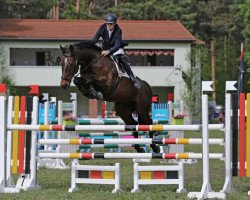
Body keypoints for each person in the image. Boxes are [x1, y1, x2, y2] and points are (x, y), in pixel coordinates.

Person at [91, 13, 141, 89]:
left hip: (116, 48)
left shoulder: (118, 30)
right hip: (105, 47)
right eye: (107, 24)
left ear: (115, 23)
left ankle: (133, 78)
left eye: (111, 24)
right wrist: (87, 45)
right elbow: (94, 40)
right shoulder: (102, 27)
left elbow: (117, 46)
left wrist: (108, 52)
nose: (109, 26)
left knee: (121, 59)